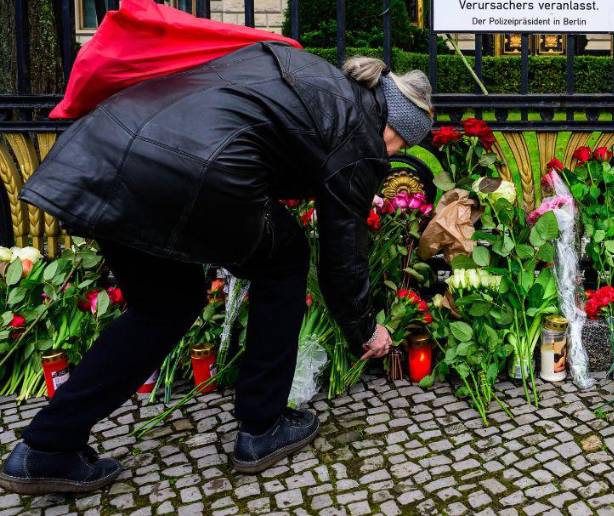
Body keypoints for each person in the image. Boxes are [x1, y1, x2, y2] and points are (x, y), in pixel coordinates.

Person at [0, 44, 434, 495]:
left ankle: (47, 446)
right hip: (191, 168)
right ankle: (262, 427)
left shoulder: (316, 75)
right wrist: (365, 329)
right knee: (285, 262)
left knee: (163, 306)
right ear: (394, 125)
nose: (392, 157)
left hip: (110, 147)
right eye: (401, 144)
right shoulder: (361, 134)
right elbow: (343, 256)